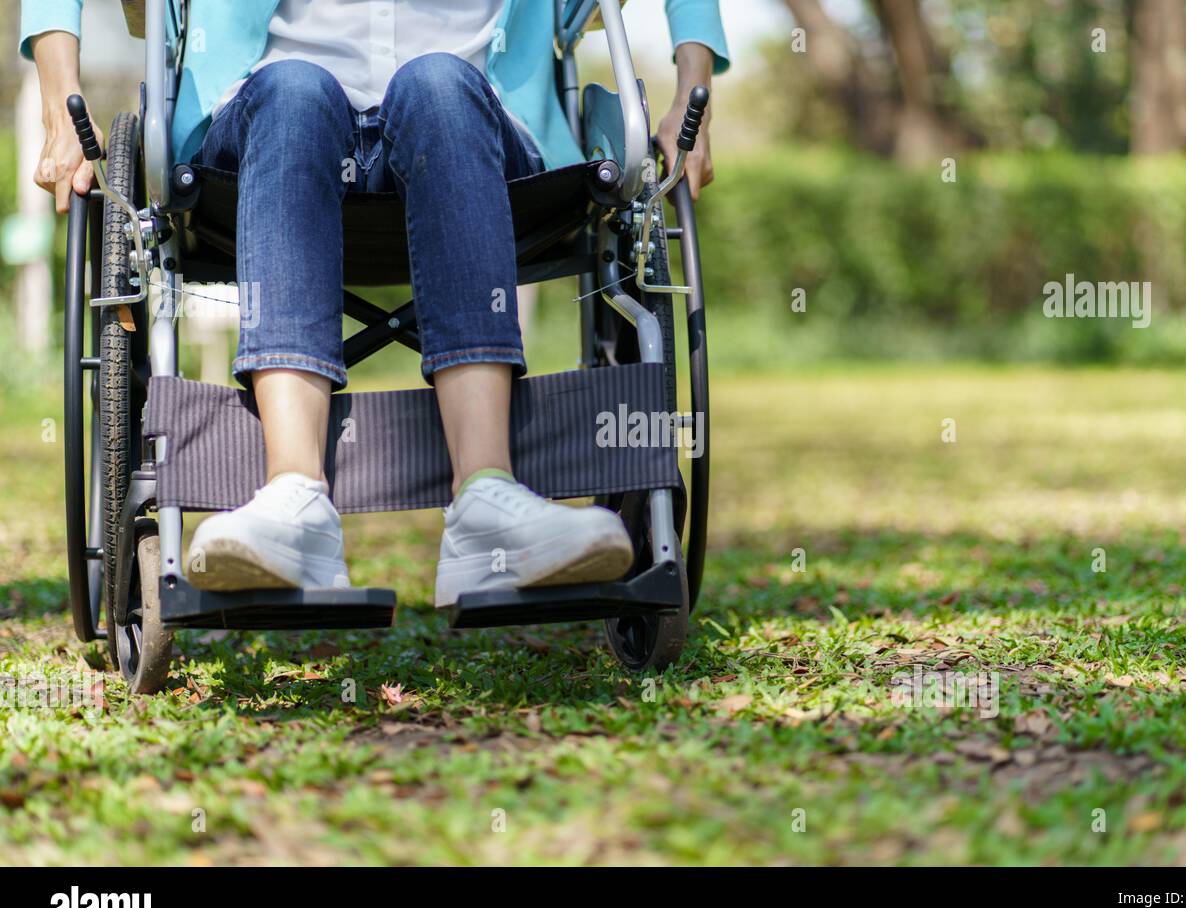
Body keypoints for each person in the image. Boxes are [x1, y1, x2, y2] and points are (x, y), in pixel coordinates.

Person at [22, 0, 728, 606]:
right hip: (265, 127)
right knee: (294, 89)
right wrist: (59, 102)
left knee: (438, 82)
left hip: (478, 127)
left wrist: (689, 95)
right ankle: (293, 498)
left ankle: (488, 500)